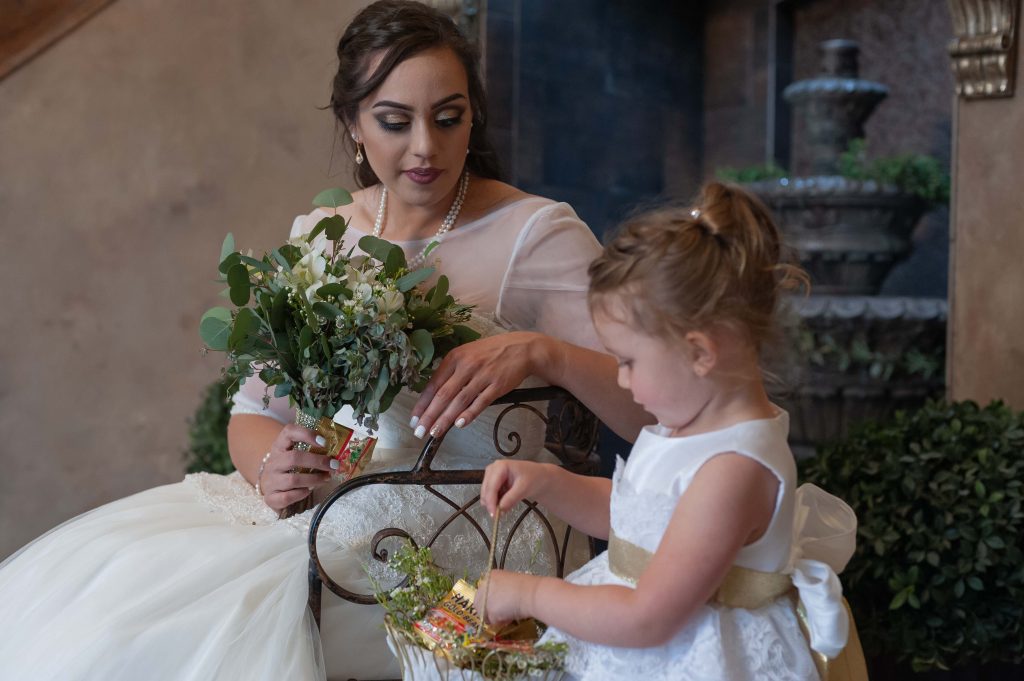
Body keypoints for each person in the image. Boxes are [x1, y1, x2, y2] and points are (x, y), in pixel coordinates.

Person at [0, 2, 649, 680]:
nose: (425, 145)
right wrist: (270, 469)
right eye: (395, 122)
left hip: (457, 529)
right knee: (114, 603)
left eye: (448, 117)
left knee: (208, 625)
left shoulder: (535, 235)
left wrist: (549, 355)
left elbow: (658, 415)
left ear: (472, 117)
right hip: (325, 507)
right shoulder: (325, 232)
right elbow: (254, 415)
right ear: (354, 124)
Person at [477, 183, 865, 681]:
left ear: (700, 352)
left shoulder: (734, 469)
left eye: (629, 361)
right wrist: (546, 482)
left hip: (686, 658)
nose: (620, 378)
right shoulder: (688, 425)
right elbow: (638, 521)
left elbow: (649, 618)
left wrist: (529, 593)